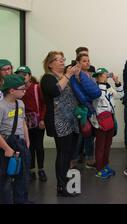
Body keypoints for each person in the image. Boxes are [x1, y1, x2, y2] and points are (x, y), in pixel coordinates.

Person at [40, 51, 81, 197]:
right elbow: (55, 91)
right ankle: (61, 187)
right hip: (58, 121)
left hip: (70, 119)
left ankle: (64, 179)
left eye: (63, 59)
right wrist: (68, 75)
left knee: (68, 152)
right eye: (59, 60)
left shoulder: (65, 77)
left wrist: (76, 76)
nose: (63, 61)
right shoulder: (47, 78)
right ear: (50, 64)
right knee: (63, 153)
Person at [0, 74, 32, 204]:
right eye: (22, 89)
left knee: (23, 174)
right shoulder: (2, 107)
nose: (25, 91)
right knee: (6, 176)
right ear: (12, 90)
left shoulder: (21, 103)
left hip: (20, 142)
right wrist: (6, 148)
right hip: (7, 143)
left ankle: (21, 200)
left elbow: (22, 122)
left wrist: (27, 139)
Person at [15, 66, 47, 182]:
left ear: (29, 75)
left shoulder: (36, 88)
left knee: (39, 146)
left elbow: (44, 104)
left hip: (38, 122)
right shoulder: (17, 90)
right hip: (24, 122)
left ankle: (41, 169)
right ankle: (31, 169)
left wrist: (43, 119)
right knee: (29, 146)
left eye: (24, 74)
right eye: (19, 74)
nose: (22, 76)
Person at [70, 53, 101, 169]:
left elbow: (95, 91)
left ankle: (89, 159)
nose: (87, 62)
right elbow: (81, 95)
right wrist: (90, 104)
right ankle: (73, 160)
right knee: (79, 137)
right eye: (84, 61)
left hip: (91, 109)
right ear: (78, 63)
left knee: (90, 135)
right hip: (82, 109)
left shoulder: (90, 76)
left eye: (88, 60)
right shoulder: (74, 76)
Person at [92, 68, 124, 179]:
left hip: (110, 118)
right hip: (100, 121)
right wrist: (96, 122)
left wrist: (117, 82)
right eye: (102, 75)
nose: (104, 76)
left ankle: (105, 165)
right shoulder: (95, 89)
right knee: (100, 146)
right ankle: (99, 169)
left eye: (105, 74)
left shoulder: (109, 88)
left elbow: (121, 95)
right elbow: (93, 107)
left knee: (107, 145)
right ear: (97, 77)